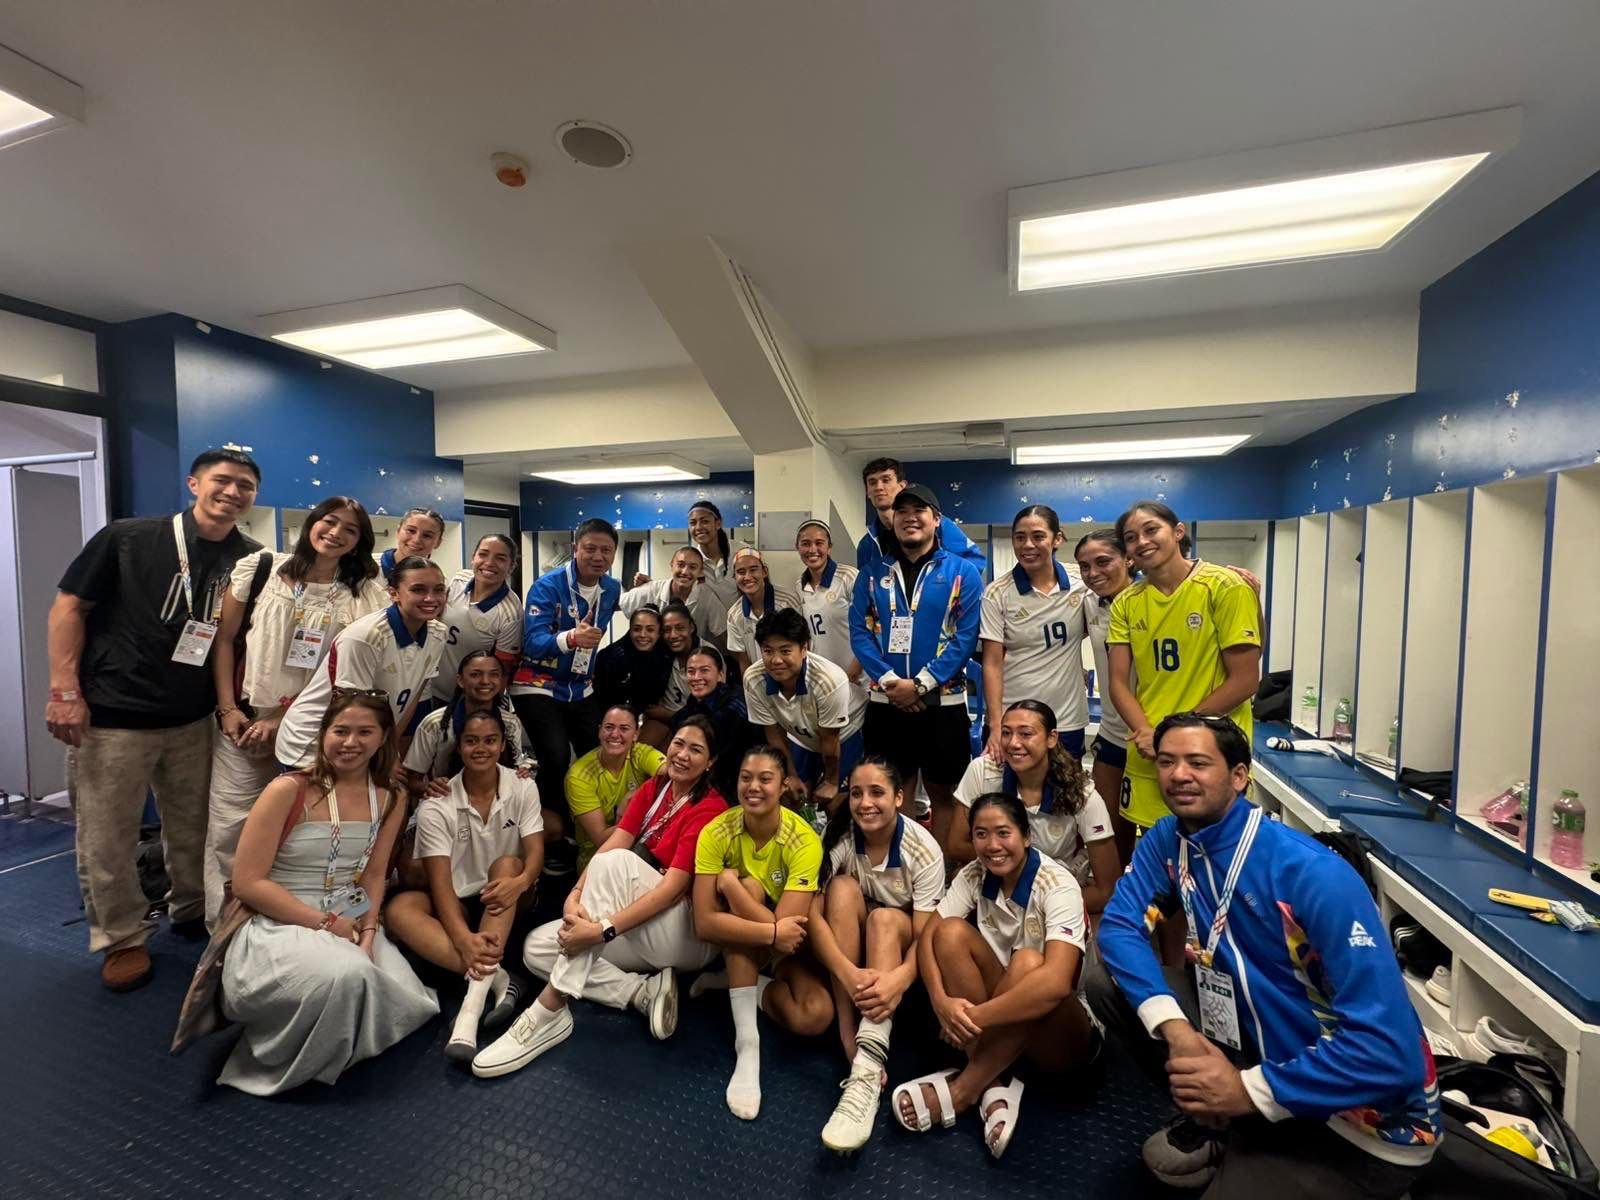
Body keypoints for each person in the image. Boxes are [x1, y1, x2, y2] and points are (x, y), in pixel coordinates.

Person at [1087, 713, 1440, 1196]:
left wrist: (1244, 1091)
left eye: (1198, 763)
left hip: (1359, 1126)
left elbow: (1392, 1054)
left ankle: (1242, 1112)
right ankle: (1225, 1118)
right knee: (1105, 982)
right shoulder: (1170, 839)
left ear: (1239, 776)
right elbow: (1121, 928)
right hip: (1260, 1057)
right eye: (1167, 762)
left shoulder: (1313, 875)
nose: (1179, 774)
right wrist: (1178, 1033)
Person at [47, 448, 263, 992]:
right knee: (107, 836)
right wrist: (64, 691)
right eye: (222, 480)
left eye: (245, 486)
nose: (233, 492)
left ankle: (190, 906)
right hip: (114, 715)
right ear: (193, 483)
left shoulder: (252, 558)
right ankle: (121, 937)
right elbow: (69, 607)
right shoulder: (128, 538)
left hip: (194, 717)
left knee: (195, 825)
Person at [471, 716, 728, 1076]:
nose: (682, 754)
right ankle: (639, 992)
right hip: (640, 923)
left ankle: (547, 1011)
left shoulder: (711, 809)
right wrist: (574, 897)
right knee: (538, 948)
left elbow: (670, 891)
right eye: (679, 744)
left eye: (696, 750)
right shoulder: (655, 787)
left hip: (683, 932)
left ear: (710, 762)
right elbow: (615, 841)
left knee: (615, 864)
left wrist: (601, 930)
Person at [219, 693, 438, 1094]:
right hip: (277, 918)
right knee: (351, 976)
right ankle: (290, 1059)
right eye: (340, 731)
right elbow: (248, 882)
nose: (350, 742)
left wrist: (369, 931)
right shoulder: (288, 790)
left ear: (383, 738)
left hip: (346, 912)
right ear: (323, 735)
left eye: (364, 732)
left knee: (408, 1000)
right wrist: (323, 923)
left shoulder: (391, 796)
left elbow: (374, 874)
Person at [205, 495, 386, 928]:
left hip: (322, 730)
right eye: (330, 521)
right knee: (231, 826)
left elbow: (357, 666)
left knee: (309, 831)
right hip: (248, 721)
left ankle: (303, 920)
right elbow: (224, 640)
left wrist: (283, 719)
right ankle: (226, 927)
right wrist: (227, 708)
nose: (336, 533)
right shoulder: (261, 569)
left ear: (359, 541)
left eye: (350, 529)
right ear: (311, 523)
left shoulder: (364, 592)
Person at [891, 793, 1097, 1160]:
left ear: (1026, 836)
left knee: (1029, 965)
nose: (992, 845)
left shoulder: (1057, 883)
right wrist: (941, 1002)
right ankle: (994, 1082)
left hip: (1065, 1033)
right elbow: (929, 938)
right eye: (981, 834)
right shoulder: (974, 874)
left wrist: (969, 1019)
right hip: (1002, 1027)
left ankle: (964, 1091)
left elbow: (1056, 983)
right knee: (950, 933)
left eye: (1003, 833)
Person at [385, 708, 544, 1062]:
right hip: (457, 899)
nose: (481, 748)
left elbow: (535, 853)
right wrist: (462, 938)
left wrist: (521, 882)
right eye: (471, 741)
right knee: (398, 909)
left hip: (509, 893)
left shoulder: (523, 786)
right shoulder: (436, 804)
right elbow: (440, 884)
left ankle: (469, 1010)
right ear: (459, 747)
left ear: (502, 745)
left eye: (490, 740)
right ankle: (499, 978)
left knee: (507, 864)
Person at [808, 757, 943, 1152]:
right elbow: (811, 916)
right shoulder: (840, 836)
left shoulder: (923, 849)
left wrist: (899, 979)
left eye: (877, 793)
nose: (865, 803)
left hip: (904, 965)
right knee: (840, 889)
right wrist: (847, 972)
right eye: (856, 793)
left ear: (899, 798)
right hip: (855, 967)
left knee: (883, 919)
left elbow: (926, 938)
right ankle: (851, 1037)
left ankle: (867, 1069)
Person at [691, 743, 831, 1120]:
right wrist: (758, 918)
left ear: (783, 785)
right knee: (750, 891)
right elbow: (703, 922)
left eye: (765, 779)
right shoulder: (717, 831)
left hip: (785, 949)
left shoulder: (803, 840)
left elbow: (788, 934)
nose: (754, 787)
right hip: (742, 941)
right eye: (746, 778)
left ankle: (737, 984)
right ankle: (748, 1045)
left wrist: (730, 886)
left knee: (815, 1016)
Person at [1106, 501, 1262, 835]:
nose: (1142, 541)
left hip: (1211, 750)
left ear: (1178, 532)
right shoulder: (1126, 602)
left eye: (1151, 530)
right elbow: (1118, 683)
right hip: (1150, 750)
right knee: (1156, 848)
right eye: (1131, 538)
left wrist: (1172, 735)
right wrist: (1147, 732)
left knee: (1216, 850)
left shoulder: (1225, 586)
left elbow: (1245, 680)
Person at [849, 483, 984, 854]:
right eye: (902, 511)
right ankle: (904, 869)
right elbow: (860, 632)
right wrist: (892, 682)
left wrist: (921, 684)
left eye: (919, 510)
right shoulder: (871, 574)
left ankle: (939, 871)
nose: (910, 518)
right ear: (892, 520)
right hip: (886, 701)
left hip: (944, 702)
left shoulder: (962, 573)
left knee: (944, 793)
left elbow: (966, 637)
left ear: (936, 519)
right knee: (892, 791)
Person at [274, 556, 448, 769]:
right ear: (393, 593)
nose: (430, 598)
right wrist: (383, 759)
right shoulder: (366, 637)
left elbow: (412, 697)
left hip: (365, 741)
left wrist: (391, 750)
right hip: (314, 742)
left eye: (439, 590)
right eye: (418, 590)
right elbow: (354, 711)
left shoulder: (438, 634)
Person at [509, 517, 622, 838]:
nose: (598, 556)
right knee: (556, 756)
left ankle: (591, 823)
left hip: (579, 686)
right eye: (590, 549)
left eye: (606, 550)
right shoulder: (547, 586)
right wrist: (571, 637)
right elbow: (533, 642)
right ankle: (552, 829)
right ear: (575, 549)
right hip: (537, 683)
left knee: (596, 752)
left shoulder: (612, 588)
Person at [951, 700, 1121, 911]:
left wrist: (1043, 907)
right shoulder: (983, 771)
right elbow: (956, 845)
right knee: (959, 878)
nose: (1013, 743)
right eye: (1006, 733)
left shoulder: (1081, 792)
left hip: (1054, 891)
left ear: (1051, 738)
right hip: (995, 878)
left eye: (1026, 734)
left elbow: (1106, 890)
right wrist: (1013, 865)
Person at [979, 505, 1091, 761]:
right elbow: (992, 663)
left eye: (1038, 536)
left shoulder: (1081, 584)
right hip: (1013, 720)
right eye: (1020, 537)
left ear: (1057, 539)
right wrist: (996, 726)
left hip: (1066, 719)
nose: (1028, 545)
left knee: (1065, 786)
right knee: (1008, 787)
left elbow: (1090, 626)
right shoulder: (997, 593)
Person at [744, 608, 866, 815]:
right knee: (791, 794)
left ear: (804, 649)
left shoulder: (828, 680)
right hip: (801, 734)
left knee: (835, 804)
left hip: (844, 734)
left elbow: (830, 741)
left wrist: (831, 781)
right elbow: (774, 733)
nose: (776, 660)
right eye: (768, 651)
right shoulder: (753, 679)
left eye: (785, 651)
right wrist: (790, 775)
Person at [1074, 528, 1138, 864]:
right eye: (1085, 566)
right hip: (1113, 733)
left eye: (1103, 562)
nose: (1093, 573)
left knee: (1160, 831)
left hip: (1155, 732)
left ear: (1128, 559)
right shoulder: (1090, 604)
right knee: (1110, 829)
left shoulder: (1154, 598)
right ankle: (1117, 892)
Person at [402, 651, 535, 791]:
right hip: (447, 796)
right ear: (460, 680)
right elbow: (412, 780)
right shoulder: (435, 723)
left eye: (494, 674)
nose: (485, 681)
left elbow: (515, 766)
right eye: (475, 675)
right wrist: (430, 788)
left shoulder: (510, 723)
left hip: (498, 796)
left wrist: (520, 773)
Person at [565, 704, 665, 871]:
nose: (615, 734)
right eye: (609, 727)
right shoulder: (579, 776)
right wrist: (639, 810)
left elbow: (673, 775)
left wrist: (635, 795)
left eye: (624, 728)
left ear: (636, 734)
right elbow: (601, 839)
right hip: (597, 860)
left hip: (640, 848)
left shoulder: (639, 753)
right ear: (599, 731)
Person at [427, 533, 522, 708]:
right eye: (483, 554)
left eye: (500, 558)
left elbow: (502, 671)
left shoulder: (511, 613)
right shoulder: (459, 579)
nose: (489, 562)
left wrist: (487, 708)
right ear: (473, 557)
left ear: (511, 567)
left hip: (470, 700)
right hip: (428, 687)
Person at [855, 458, 985, 577]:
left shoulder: (935, 524)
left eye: (886, 480)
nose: (878, 487)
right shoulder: (866, 545)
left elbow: (975, 562)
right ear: (867, 492)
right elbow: (866, 584)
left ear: (902, 486)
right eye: (872, 482)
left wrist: (941, 586)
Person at [674, 643, 760, 802]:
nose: (696, 677)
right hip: (704, 783)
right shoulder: (687, 711)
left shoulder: (736, 702)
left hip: (739, 785)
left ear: (720, 675)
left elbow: (719, 752)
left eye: (704, 670)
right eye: (691, 672)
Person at [794, 519, 862, 686]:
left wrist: (855, 669)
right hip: (823, 678)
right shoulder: (799, 586)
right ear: (797, 547)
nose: (812, 550)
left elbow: (872, 626)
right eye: (805, 544)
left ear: (829, 547)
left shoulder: (849, 577)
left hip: (857, 677)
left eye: (819, 543)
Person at [622, 543, 726, 645]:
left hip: (690, 653)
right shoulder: (651, 590)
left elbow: (723, 632)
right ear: (672, 565)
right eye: (680, 565)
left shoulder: (706, 597)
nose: (685, 572)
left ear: (700, 572)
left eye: (692, 567)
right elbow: (619, 602)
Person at [724, 547, 801, 678]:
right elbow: (743, 660)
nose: (747, 577)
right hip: (759, 680)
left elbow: (802, 644)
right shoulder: (734, 615)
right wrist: (750, 686)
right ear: (734, 577)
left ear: (764, 571)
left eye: (753, 569)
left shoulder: (787, 602)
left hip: (791, 677)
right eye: (741, 572)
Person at [593, 604, 673, 716]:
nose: (643, 635)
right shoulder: (608, 658)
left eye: (650, 630)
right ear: (630, 630)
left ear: (659, 633)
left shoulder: (666, 657)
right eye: (637, 629)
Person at [639, 602, 699, 748]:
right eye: (667, 630)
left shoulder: (708, 656)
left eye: (679, 628)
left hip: (696, 722)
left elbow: (711, 710)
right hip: (661, 719)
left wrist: (668, 714)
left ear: (691, 627)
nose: (673, 635)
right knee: (638, 751)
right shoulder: (660, 653)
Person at [378, 507, 444, 578]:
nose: (416, 540)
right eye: (411, 531)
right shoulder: (370, 568)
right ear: (398, 531)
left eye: (427, 535)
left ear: (438, 543)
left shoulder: (436, 579)